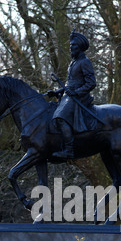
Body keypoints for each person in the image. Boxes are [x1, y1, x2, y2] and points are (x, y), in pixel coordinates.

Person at [47, 31, 96, 160]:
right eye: (70, 45)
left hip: (79, 97)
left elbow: (91, 83)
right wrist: (58, 92)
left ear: (79, 47)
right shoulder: (73, 63)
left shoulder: (85, 62)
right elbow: (70, 84)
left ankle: (69, 150)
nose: (71, 48)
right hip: (70, 96)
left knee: (60, 118)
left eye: (73, 45)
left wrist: (77, 92)